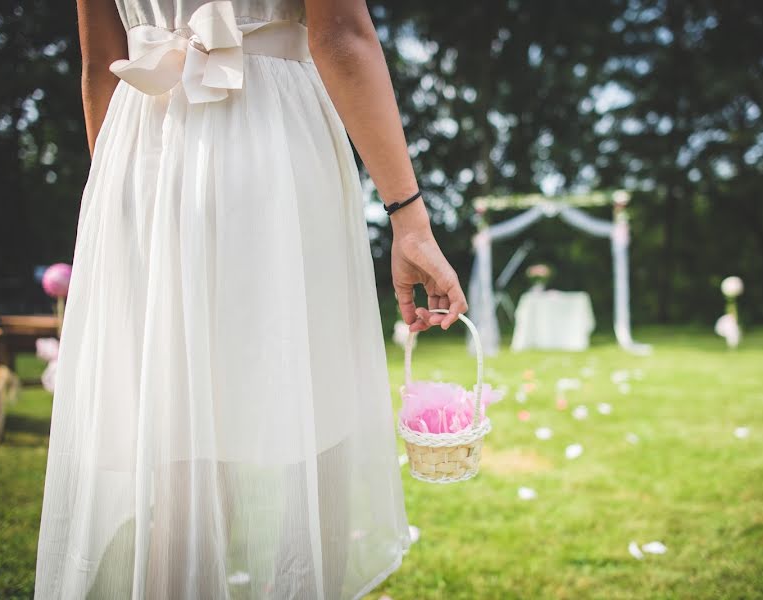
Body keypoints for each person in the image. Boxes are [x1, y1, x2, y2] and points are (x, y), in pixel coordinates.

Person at [34, 0, 468, 598]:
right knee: (321, 419)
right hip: (273, 144)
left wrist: (126, 207)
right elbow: (340, 34)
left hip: (145, 148)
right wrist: (409, 219)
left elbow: (99, 60)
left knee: (182, 437)